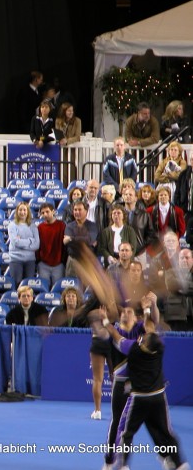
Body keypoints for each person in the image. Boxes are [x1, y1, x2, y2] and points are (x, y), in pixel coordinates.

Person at [100, 306, 188, 470]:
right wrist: (146, 309)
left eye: (130, 312)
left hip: (138, 393)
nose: (126, 314)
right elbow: (146, 328)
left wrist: (105, 320)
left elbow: (147, 324)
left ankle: (129, 463)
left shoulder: (135, 345)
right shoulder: (155, 346)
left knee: (139, 430)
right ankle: (110, 460)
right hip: (133, 389)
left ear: (136, 319)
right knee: (120, 423)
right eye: (123, 312)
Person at [7, 202, 39, 286]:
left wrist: (21, 241)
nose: (22, 212)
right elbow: (15, 242)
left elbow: (37, 245)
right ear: (17, 211)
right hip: (16, 260)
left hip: (30, 260)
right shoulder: (12, 225)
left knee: (28, 285)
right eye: (20, 210)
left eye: (24, 210)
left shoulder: (33, 226)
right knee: (18, 284)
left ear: (28, 212)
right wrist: (30, 240)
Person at [63, 200, 98, 277]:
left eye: (79, 210)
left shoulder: (92, 226)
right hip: (73, 261)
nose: (77, 212)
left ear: (86, 211)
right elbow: (67, 243)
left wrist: (71, 238)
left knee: (87, 287)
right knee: (71, 287)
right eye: (75, 210)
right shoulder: (69, 226)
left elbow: (89, 240)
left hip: (87, 261)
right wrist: (85, 240)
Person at [36, 203, 66, 287]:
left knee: (58, 288)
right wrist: (39, 260)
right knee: (44, 289)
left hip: (58, 264)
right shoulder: (40, 227)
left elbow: (64, 245)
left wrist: (62, 260)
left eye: (47, 212)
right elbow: (38, 245)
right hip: (43, 264)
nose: (45, 214)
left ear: (53, 212)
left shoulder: (61, 225)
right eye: (42, 213)